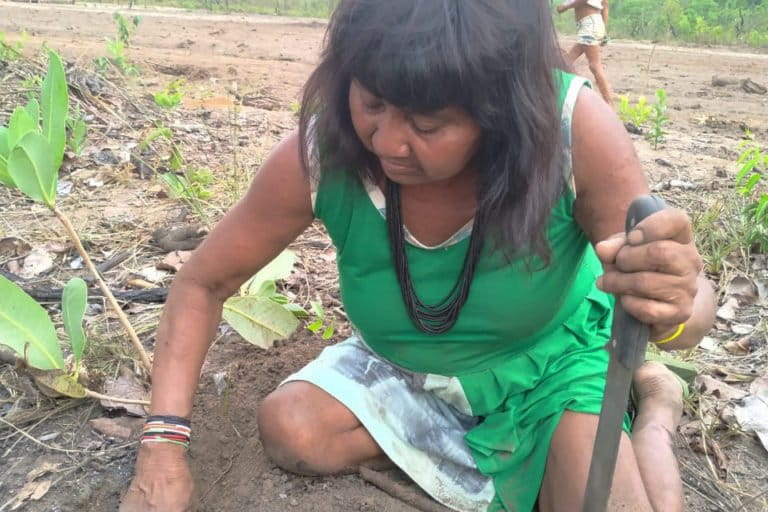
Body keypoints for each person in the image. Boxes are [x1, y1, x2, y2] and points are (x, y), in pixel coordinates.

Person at [120, 1, 716, 511]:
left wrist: (675, 303)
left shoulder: (570, 134)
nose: (385, 142)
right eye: (372, 103)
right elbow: (201, 284)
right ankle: (511, 455)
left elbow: (684, 314)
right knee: (293, 430)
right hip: (407, 368)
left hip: (547, 365)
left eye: (427, 124)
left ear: (501, 116)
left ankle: (656, 407)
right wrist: (162, 448)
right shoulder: (323, 154)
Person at [558, 0, 614, 105]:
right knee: (566, 61)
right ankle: (567, 92)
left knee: (594, 66)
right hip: (592, 24)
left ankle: (608, 103)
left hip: (589, 25)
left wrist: (565, 5)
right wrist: (603, 29)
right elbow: (605, 5)